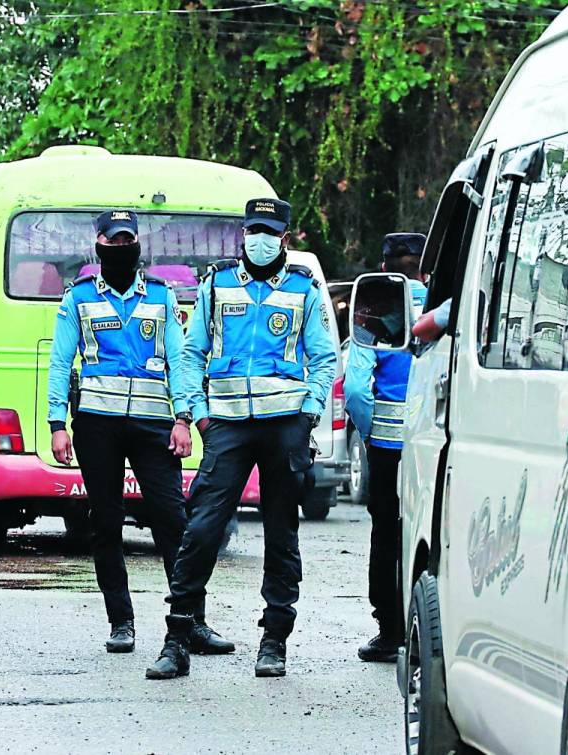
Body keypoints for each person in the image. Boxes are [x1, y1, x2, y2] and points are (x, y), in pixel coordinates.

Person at [147, 198, 337, 680]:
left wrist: (309, 413)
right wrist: (197, 413)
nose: (260, 238)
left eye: (269, 231)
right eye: (253, 229)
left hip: (284, 426)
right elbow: (191, 354)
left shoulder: (304, 291)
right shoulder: (216, 285)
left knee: (281, 533)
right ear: (243, 234)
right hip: (227, 425)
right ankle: (178, 635)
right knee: (203, 527)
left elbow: (325, 358)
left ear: (285, 238)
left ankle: (274, 640)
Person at [47, 209, 233, 656]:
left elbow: (180, 359)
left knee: (173, 521)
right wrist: (57, 424)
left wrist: (183, 418)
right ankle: (121, 622)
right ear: (100, 245)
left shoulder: (161, 297)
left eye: (128, 239)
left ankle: (192, 621)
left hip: (154, 425)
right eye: (114, 241)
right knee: (106, 523)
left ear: (137, 245)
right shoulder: (79, 299)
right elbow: (59, 362)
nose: (122, 247)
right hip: (97, 424)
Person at [344, 233, 428, 663]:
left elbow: (358, 388)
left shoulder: (374, 306)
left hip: (386, 445)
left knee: (387, 531)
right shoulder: (445, 302)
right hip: (434, 443)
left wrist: (369, 430)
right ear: (425, 266)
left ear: (384, 268)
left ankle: (390, 630)